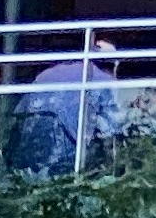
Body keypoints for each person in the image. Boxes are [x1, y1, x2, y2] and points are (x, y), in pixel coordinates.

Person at [13, 35, 124, 172]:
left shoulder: (46, 75)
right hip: (67, 158)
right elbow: (111, 133)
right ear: (113, 67)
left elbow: (18, 116)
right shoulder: (105, 81)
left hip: (26, 154)